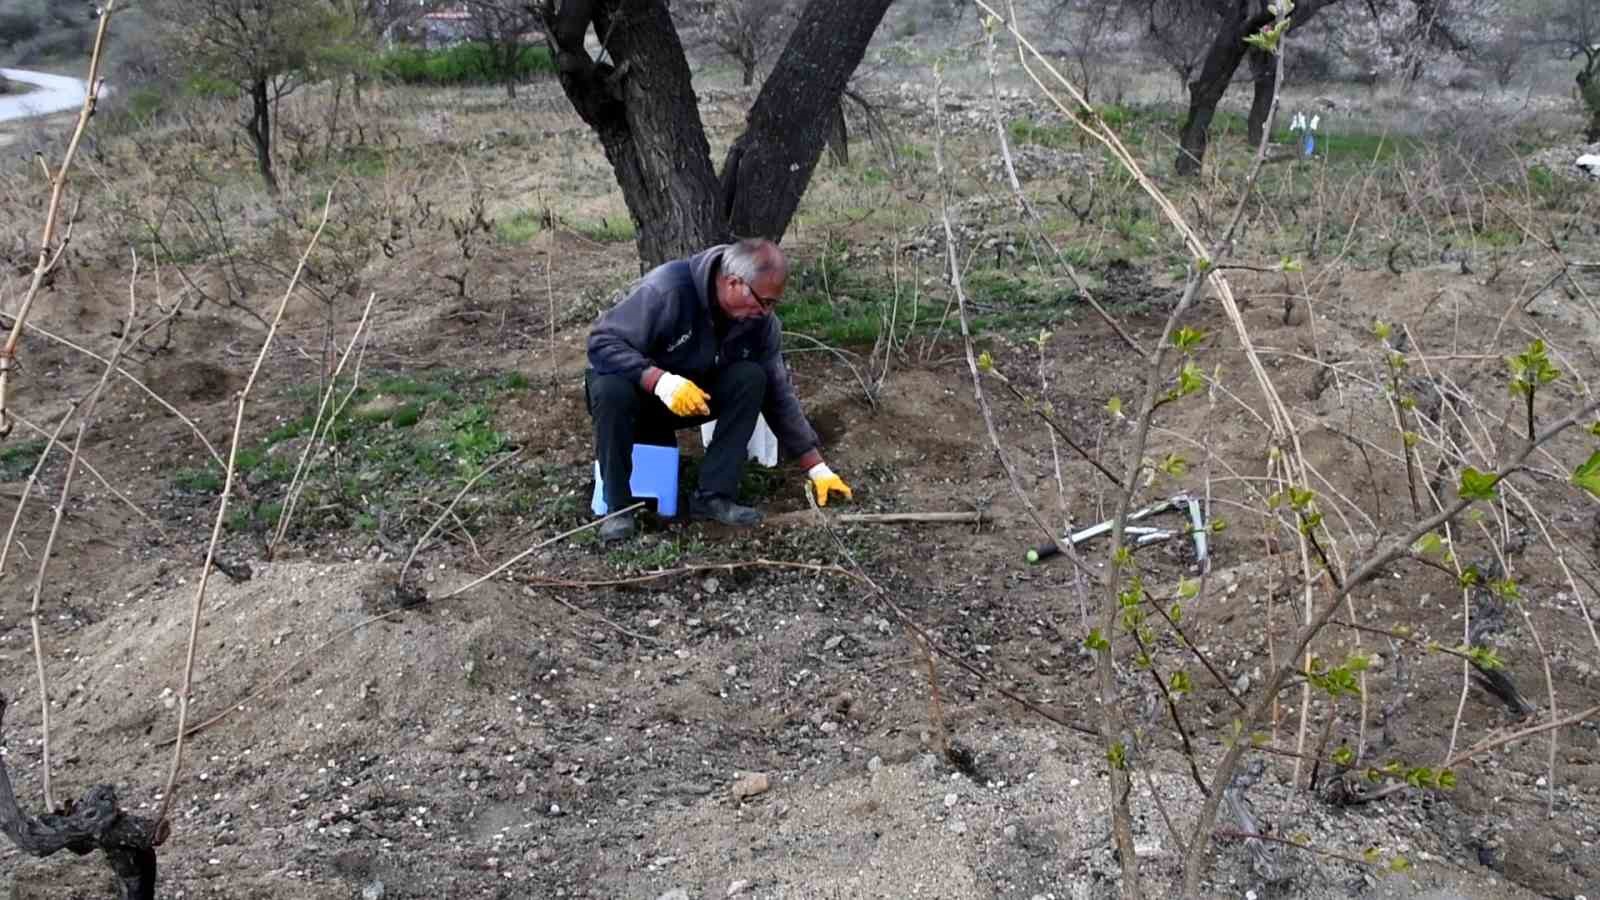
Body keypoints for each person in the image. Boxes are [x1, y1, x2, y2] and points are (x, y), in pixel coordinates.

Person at [585, 238, 853, 542]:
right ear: (733, 283)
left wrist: (815, 466)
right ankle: (618, 509)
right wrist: (659, 381)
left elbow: (779, 394)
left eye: (773, 303)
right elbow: (601, 342)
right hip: (637, 394)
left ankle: (713, 496)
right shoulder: (668, 290)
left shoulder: (759, 323)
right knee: (610, 388)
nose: (766, 312)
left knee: (751, 378)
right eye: (763, 301)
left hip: (690, 399)